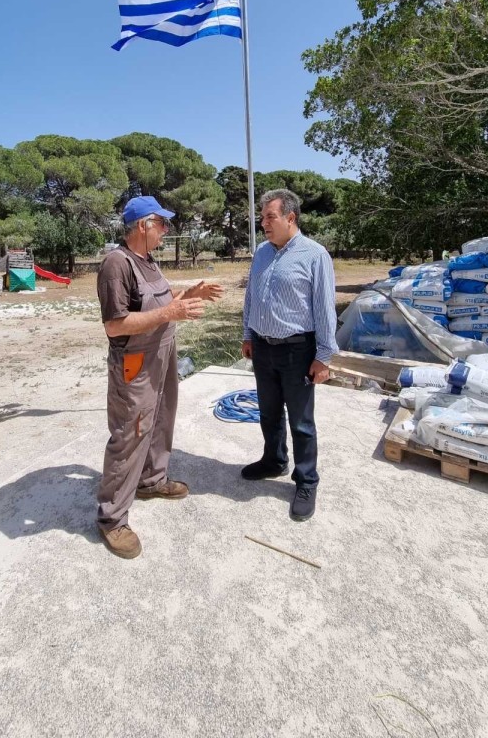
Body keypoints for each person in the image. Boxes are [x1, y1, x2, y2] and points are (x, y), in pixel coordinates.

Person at [96, 195, 224, 559]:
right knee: (130, 434)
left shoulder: (148, 261)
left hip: (162, 355)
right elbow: (115, 324)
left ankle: (151, 481)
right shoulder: (116, 264)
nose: (166, 230)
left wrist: (189, 295)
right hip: (136, 361)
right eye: (162, 223)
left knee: (161, 420)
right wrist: (171, 311)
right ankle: (111, 518)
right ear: (143, 225)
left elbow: (160, 304)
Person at [241, 189, 338, 522]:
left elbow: (325, 309)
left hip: (298, 350)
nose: (264, 224)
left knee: (301, 422)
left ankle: (306, 480)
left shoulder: (315, 255)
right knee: (269, 413)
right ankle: (274, 460)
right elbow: (251, 297)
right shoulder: (262, 253)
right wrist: (248, 335)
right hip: (263, 347)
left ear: (290, 218)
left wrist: (323, 357)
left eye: (270, 217)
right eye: (262, 218)